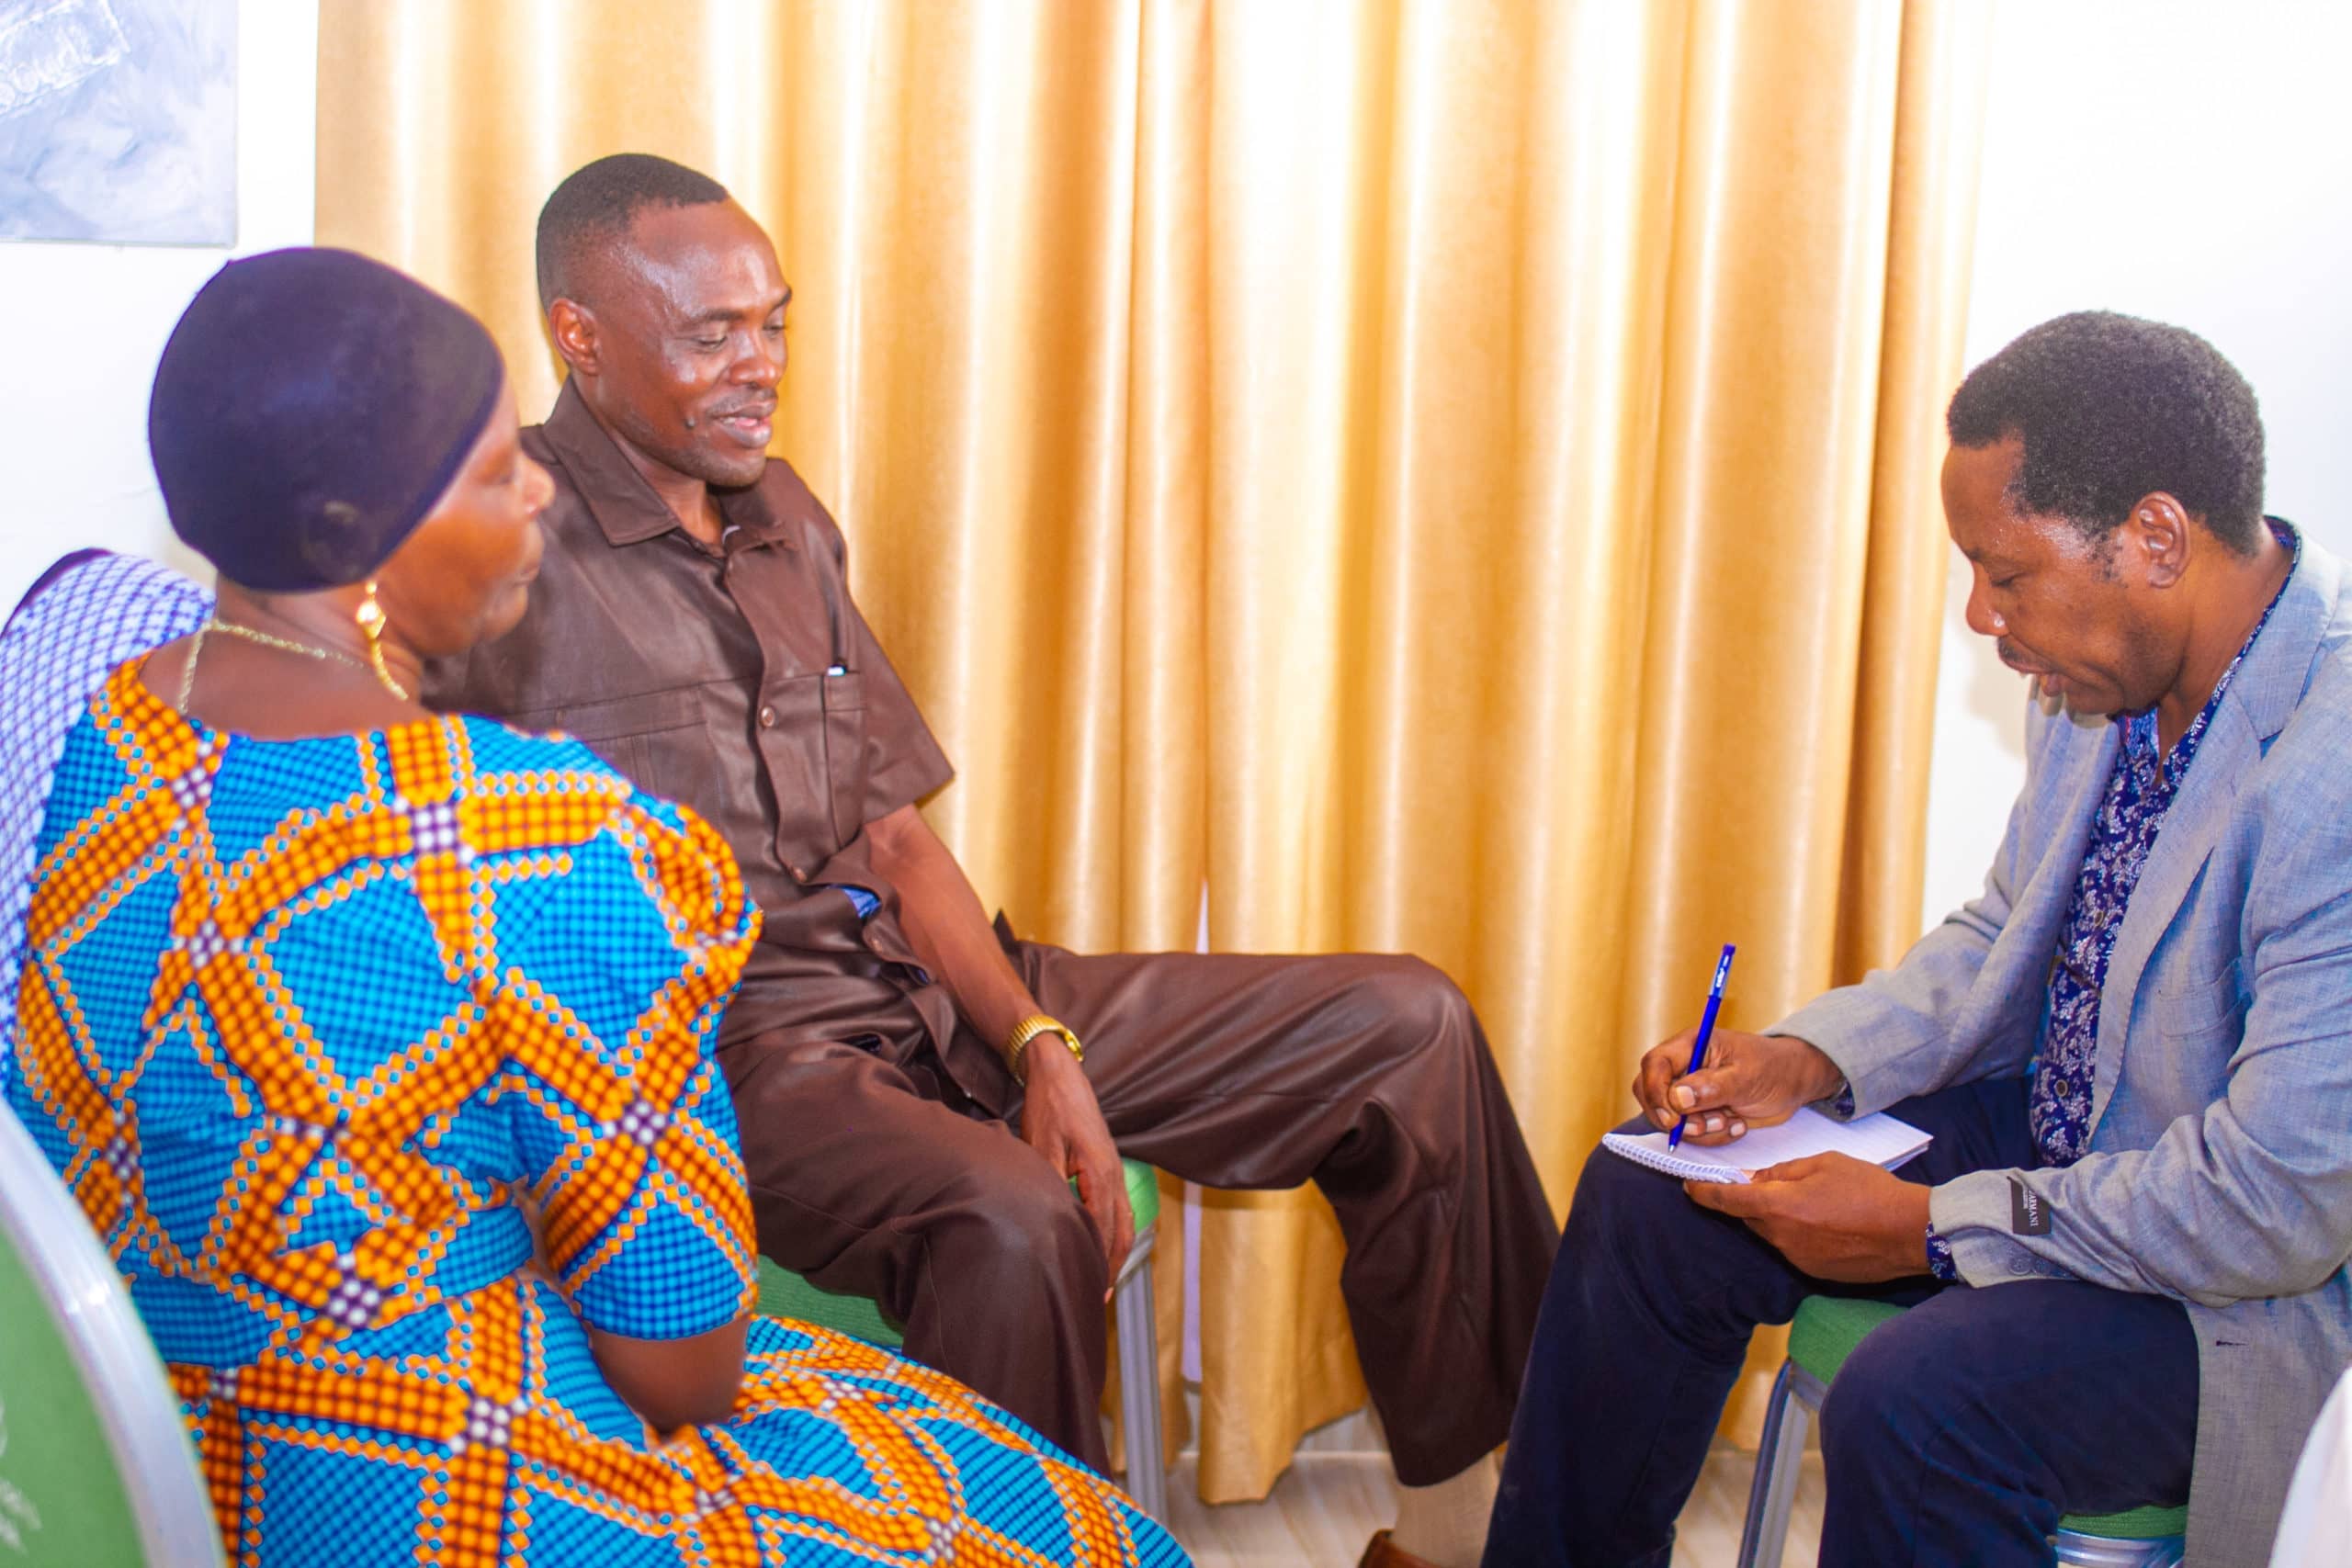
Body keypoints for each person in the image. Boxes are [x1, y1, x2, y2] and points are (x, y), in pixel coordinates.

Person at [425, 152, 1558, 1568]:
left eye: (773, 324)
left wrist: (1036, 1041)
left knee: (1406, 1025)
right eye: (713, 336)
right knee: (1016, 1220)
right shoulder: (501, 551)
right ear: (579, 337)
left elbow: (896, 835)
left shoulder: (786, 518)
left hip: (928, 986)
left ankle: (1461, 1542)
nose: (761, 365)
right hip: (740, 1057)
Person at [2, 245, 1185, 1567]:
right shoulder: (536, 830)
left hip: (181, 1455)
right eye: (491, 474)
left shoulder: (110, 734)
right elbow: (683, 1371)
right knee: (1086, 1532)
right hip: (450, 1497)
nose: (540, 493)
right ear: (354, 543)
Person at [1482, 311, 2352, 1568]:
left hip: (2240, 1284)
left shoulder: (2330, 768)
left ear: (2156, 538)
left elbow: (2276, 1202)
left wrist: (1927, 1224)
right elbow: (2002, 934)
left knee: (1917, 1406)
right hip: (2063, 1142)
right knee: (1652, 1195)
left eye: (2006, 575)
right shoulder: (2103, 673)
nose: (1984, 618)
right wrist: (1806, 1062)